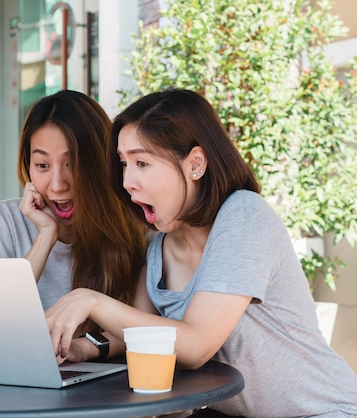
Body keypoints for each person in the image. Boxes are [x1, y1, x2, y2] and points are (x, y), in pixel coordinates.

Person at [45, 89, 357, 417]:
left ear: (195, 164)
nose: (127, 181)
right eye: (124, 164)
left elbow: (195, 345)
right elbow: (134, 335)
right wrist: (81, 348)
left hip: (324, 411)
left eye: (141, 162)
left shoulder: (244, 215)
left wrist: (88, 300)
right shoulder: (160, 247)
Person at [0, 90, 148, 363]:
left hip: (106, 392)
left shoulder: (137, 227)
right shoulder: (4, 221)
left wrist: (85, 347)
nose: (57, 184)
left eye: (73, 164)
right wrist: (46, 236)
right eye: (42, 165)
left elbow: (147, 329)